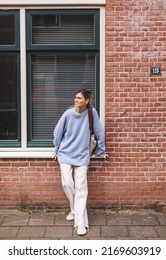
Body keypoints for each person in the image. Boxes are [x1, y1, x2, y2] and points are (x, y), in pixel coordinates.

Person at [53, 89, 106, 236]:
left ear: (87, 100)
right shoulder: (68, 114)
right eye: (75, 97)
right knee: (67, 184)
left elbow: (99, 132)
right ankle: (74, 210)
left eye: (79, 98)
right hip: (65, 153)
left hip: (82, 156)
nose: (76, 100)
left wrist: (101, 151)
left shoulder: (91, 113)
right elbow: (58, 133)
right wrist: (56, 150)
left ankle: (81, 224)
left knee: (82, 188)